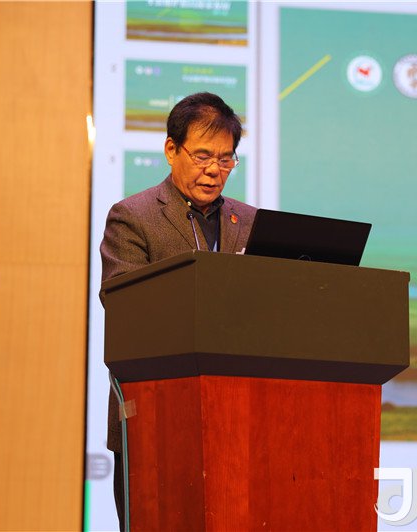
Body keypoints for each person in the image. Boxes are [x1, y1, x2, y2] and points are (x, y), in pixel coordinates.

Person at [99, 92, 257, 530]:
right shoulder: (133, 217)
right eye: (203, 156)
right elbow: (125, 306)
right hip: (154, 420)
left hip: (236, 418)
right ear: (172, 150)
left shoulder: (249, 221)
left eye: (226, 159)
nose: (214, 170)